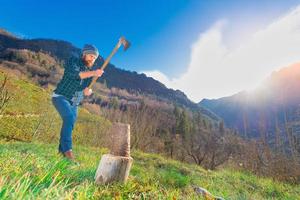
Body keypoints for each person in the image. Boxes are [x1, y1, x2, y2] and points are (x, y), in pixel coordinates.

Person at [52, 44, 103, 161]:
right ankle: (68, 153)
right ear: (84, 54)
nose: (92, 59)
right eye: (91, 56)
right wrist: (94, 73)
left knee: (70, 125)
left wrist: (87, 91)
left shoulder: (90, 72)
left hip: (75, 102)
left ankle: (61, 153)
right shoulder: (73, 61)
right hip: (61, 97)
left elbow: (84, 89)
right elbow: (76, 75)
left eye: (94, 58)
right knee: (69, 118)